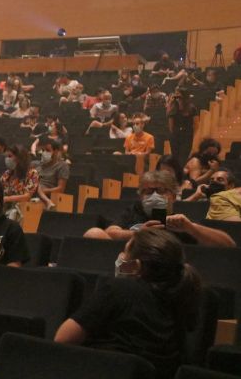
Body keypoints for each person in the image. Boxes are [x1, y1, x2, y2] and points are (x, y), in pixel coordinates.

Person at [54, 229, 201, 379]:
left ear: (136, 266)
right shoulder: (180, 297)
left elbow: (63, 339)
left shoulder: (118, 289)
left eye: (124, 251)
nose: (120, 257)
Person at [83, 171, 234, 247]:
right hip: (128, 266)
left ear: (173, 196)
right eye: (148, 192)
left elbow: (228, 245)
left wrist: (191, 228)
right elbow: (111, 232)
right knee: (94, 233)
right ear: (141, 196)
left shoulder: (179, 222)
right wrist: (137, 233)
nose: (154, 196)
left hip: (164, 273)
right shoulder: (135, 210)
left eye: (161, 191)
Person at [0, 144, 39, 222]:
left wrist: (7, 199)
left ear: (19, 158)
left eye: (10, 156)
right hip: (6, 208)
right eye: (6, 156)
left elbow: (27, 196)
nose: (7, 159)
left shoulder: (32, 173)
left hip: (23, 210)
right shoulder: (7, 174)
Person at [35, 139, 69, 210]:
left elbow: (60, 189)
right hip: (32, 194)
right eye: (43, 150)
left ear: (56, 152)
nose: (44, 153)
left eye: (47, 150)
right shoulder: (37, 165)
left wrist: (42, 191)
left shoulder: (62, 166)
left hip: (48, 197)